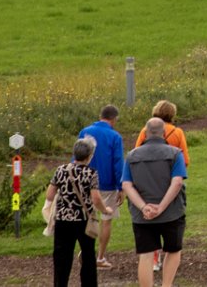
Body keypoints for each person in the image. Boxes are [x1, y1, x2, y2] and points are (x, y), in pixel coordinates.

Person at [121, 118, 186, 287]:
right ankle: (166, 285)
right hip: (172, 212)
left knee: (146, 254)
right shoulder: (175, 153)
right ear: (163, 133)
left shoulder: (131, 156)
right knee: (173, 250)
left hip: (142, 215)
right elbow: (177, 182)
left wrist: (144, 206)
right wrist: (162, 206)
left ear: (145, 133)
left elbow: (126, 185)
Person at [49, 137, 110, 287]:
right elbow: (95, 198)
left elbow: (50, 195)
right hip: (84, 219)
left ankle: (60, 283)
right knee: (88, 256)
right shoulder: (91, 173)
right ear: (90, 155)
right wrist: (105, 209)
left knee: (62, 257)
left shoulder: (61, 170)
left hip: (63, 219)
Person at [78, 105, 124, 271]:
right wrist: (121, 186)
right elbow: (118, 163)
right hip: (106, 183)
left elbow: (76, 156)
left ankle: (86, 252)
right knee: (106, 219)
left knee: (87, 218)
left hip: (84, 181)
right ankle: (100, 256)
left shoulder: (85, 132)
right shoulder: (115, 136)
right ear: (114, 119)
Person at [134, 100, 190, 166]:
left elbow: (136, 155)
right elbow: (185, 161)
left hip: (148, 171)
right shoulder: (177, 132)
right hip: (170, 172)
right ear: (172, 114)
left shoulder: (146, 131)